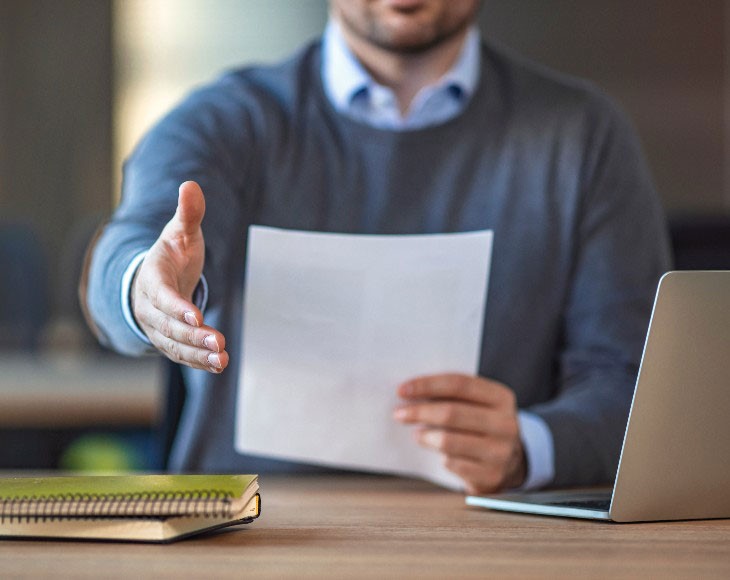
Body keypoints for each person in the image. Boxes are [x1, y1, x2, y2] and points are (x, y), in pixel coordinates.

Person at [85, 0, 671, 493]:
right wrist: (145, 288)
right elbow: (131, 245)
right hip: (247, 533)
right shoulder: (227, 121)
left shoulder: (585, 136)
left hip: (496, 543)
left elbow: (636, 386)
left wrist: (528, 447)